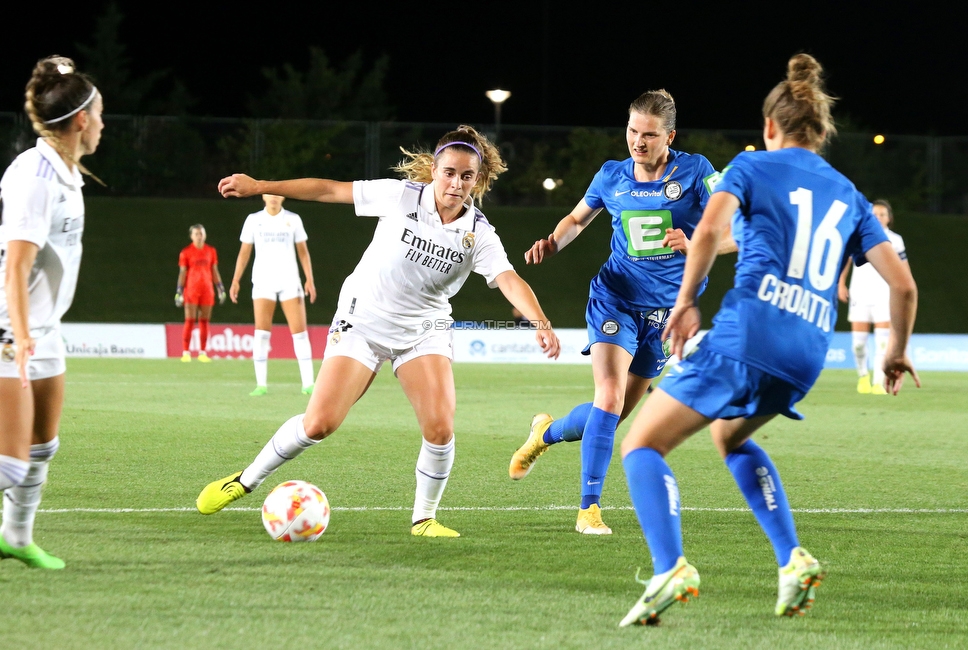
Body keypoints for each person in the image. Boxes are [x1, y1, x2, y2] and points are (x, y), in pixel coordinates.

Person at [616, 54, 919, 627]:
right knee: (730, 438)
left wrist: (685, 303)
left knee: (641, 445)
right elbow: (902, 286)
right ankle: (793, 559)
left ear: (770, 127)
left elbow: (709, 229)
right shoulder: (850, 194)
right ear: (822, 133)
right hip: (807, 353)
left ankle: (669, 567)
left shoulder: (752, 168)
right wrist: (896, 350)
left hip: (748, 335)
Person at [197, 125, 561, 537]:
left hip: (424, 329)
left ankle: (423, 519)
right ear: (434, 171)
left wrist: (540, 322)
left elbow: (509, 278)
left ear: (478, 180)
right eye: (448, 172)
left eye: (466, 176)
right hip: (363, 318)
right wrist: (259, 185)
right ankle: (245, 480)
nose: (456, 183)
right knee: (319, 424)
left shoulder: (478, 233)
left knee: (441, 428)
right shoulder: (401, 195)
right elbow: (327, 189)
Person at [508, 90, 736, 536]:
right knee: (608, 397)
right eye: (632, 131)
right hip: (615, 298)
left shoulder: (697, 173)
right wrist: (554, 241)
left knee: (612, 413)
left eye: (649, 134)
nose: (638, 141)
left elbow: (740, 231)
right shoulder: (611, 176)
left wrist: (699, 246)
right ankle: (588, 510)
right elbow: (576, 220)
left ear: (670, 136)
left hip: (666, 315)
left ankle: (546, 433)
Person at [0, 56, 104, 569]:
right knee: (10, 466)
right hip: (9, 328)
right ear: (82, 120)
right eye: (101, 115)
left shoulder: (65, 171)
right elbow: (14, 267)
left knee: (43, 447)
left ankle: (15, 538)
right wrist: (18, 338)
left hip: (44, 328)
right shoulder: (35, 176)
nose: (104, 125)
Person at [229, 194, 317, 395]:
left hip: (289, 282)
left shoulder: (293, 219)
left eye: (277, 194)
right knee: (261, 334)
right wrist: (235, 280)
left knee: (300, 334)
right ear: (263, 196)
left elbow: (303, 252)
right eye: (270, 194)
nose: (273, 198)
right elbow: (244, 252)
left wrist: (309, 279)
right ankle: (261, 385)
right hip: (263, 282)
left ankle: (308, 384)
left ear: (283, 197)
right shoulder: (253, 220)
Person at [837, 199, 909, 394]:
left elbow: (904, 268)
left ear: (889, 218)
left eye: (882, 214)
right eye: (875, 214)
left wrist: (904, 289)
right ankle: (862, 376)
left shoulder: (895, 240)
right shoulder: (859, 236)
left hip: (883, 295)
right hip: (860, 293)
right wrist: (841, 283)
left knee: (882, 342)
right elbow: (847, 261)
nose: (878, 217)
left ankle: (878, 380)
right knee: (859, 344)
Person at [175, 224, 225, 362]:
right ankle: (186, 352)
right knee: (189, 320)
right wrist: (179, 291)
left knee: (204, 321)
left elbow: (214, 270)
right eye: (196, 234)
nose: (199, 236)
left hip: (207, 291)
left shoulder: (211, 251)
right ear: (191, 236)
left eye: (201, 233)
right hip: (191, 290)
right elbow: (182, 272)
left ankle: (202, 352)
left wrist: (220, 288)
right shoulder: (186, 252)